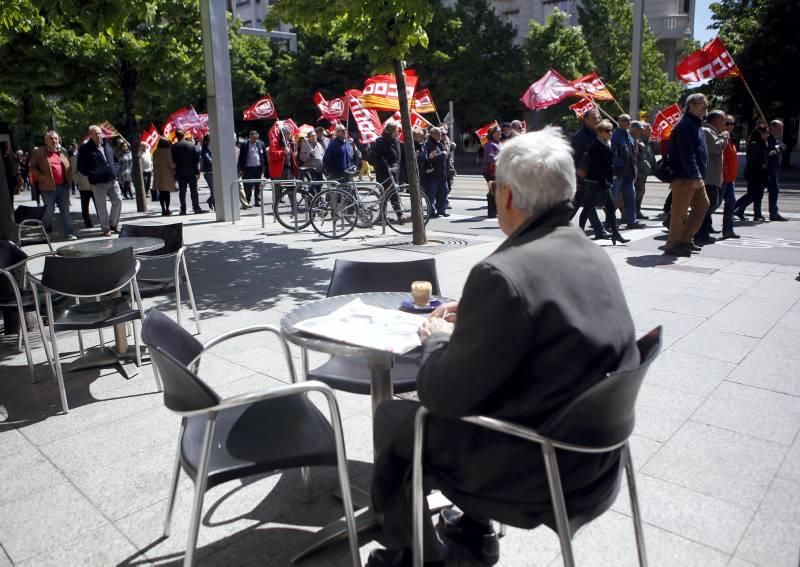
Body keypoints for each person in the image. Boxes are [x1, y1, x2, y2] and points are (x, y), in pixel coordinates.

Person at [367, 128, 639, 567]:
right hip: (595, 461)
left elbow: (443, 395)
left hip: (536, 469)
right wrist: (480, 314)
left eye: (495, 188)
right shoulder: (591, 252)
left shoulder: (501, 273)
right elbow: (538, 340)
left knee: (398, 418)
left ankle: (414, 552)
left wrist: (435, 339)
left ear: (507, 196)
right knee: (487, 393)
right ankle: (473, 532)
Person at [664, 93, 710, 257]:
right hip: (686, 177)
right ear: (691, 105)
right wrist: (696, 175)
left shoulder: (695, 124)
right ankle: (673, 245)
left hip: (694, 177)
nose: (705, 105)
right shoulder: (685, 125)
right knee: (679, 212)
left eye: (706, 103)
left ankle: (685, 240)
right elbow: (687, 153)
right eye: (701, 103)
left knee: (703, 205)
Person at [579, 120, 629, 244]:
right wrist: (605, 181)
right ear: (599, 133)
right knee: (587, 208)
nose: (610, 133)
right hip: (594, 182)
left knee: (611, 208)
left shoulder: (607, 144)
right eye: (607, 131)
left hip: (603, 182)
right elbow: (595, 167)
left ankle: (615, 234)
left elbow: (608, 165)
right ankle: (579, 235)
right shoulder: (595, 146)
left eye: (611, 130)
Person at [29, 130, 76, 240]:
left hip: (63, 187)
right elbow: (32, 167)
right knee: (48, 212)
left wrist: (69, 181)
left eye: (56, 138)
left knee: (65, 211)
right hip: (47, 188)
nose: (54, 140)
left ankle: (69, 233)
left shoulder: (63, 151)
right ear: (46, 141)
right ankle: (47, 233)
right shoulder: (39, 152)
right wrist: (41, 177)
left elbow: (68, 166)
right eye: (51, 138)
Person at [77, 125, 122, 237]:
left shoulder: (107, 145)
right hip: (98, 183)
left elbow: (115, 160)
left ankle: (114, 224)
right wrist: (93, 174)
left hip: (112, 180)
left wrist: (115, 170)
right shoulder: (84, 149)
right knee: (101, 207)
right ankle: (106, 228)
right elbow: (81, 167)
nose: (98, 135)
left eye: (99, 133)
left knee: (118, 201)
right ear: (90, 135)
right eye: (95, 133)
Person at [695, 110, 729, 245]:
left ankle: (702, 232)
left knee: (710, 204)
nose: (725, 123)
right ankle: (699, 233)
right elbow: (715, 148)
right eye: (723, 119)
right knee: (709, 205)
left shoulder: (713, 132)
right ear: (715, 120)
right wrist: (725, 137)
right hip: (708, 177)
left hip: (713, 176)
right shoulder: (707, 131)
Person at [611, 114, 643, 230]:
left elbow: (633, 154)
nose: (628, 122)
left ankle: (631, 221)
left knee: (630, 197)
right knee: (614, 197)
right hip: (619, 172)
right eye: (625, 120)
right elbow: (613, 153)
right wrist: (621, 164)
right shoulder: (615, 135)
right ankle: (610, 221)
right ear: (619, 122)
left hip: (629, 172)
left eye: (629, 120)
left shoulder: (628, 135)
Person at [734, 125, 771, 223]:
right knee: (753, 194)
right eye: (766, 133)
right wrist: (762, 166)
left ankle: (749, 212)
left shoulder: (762, 143)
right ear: (760, 133)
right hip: (754, 173)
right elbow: (755, 161)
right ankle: (735, 208)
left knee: (758, 194)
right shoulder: (755, 144)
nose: (768, 135)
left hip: (760, 173)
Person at [571, 109, 601, 222]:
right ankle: (599, 230)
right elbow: (574, 157)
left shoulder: (597, 134)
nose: (597, 120)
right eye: (594, 118)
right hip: (582, 175)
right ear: (586, 120)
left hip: (593, 173)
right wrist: (579, 171)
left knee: (579, 202)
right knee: (588, 201)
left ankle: (557, 226)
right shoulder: (579, 136)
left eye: (598, 118)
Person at [374, 121, 403, 221]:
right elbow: (379, 157)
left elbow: (399, 157)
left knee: (394, 193)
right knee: (385, 194)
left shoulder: (396, 141)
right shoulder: (380, 141)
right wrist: (388, 167)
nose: (398, 132)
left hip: (395, 172)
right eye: (396, 130)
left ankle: (394, 215)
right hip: (384, 172)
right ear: (390, 131)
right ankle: (397, 215)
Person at [171, 129, 203, 214]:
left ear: (176, 136)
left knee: (182, 191)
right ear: (184, 135)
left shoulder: (174, 147)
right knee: (194, 191)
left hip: (180, 171)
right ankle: (196, 208)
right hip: (191, 170)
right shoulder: (191, 145)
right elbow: (196, 159)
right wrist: (197, 172)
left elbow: (172, 160)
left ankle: (183, 209)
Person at [720, 115, 740, 239]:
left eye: (732, 123)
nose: (730, 126)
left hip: (730, 178)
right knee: (713, 204)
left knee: (731, 203)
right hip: (722, 177)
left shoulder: (730, 139)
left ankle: (728, 230)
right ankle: (700, 227)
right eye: (727, 123)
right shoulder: (721, 137)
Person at [424, 127, 450, 218]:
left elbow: (445, 156)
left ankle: (441, 210)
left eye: (440, 134)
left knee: (444, 192)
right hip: (433, 174)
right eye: (438, 134)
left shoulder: (439, 143)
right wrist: (443, 154)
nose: (440, 135)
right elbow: (430, 158)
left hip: (442, 174)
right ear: (432, 134)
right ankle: (431, 212)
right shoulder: (428, 144)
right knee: (431, 194)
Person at [632, 122, 656, 220]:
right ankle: (628, 210)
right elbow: (639, 157)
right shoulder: (638, 141)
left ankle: (636, 211)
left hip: (645, 171)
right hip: (640, 171)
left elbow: (650, 155)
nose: (651, 131)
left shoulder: (647, 141)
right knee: (639, 191)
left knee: (640, 192)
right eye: (648, 129)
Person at [237, 130, 267, 207]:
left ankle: (258, 201)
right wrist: (241, 168)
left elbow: (264, 156)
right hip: (248, 168)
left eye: (256, 138)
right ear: (250, 137)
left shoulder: (261, 143)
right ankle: (247, 201)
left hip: (258, 167)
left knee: (258, 185)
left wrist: (266, 166)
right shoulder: (244, 144)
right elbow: (241, 157)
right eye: (253, 138)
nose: (255, 140)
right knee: (248, 185)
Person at [766, 120, 788, 221]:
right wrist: (773, 149)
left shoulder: (774, 139)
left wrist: (777, 148)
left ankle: (774, 213)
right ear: (772, 127)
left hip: (773, 170)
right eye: (780, 128)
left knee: (774, 192)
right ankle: (738, 208)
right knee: (755, 193)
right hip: (768, 170)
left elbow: (783, 146)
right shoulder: (767, 138)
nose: (781, 130)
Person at [72, 140, 96, 228]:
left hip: (95, 184)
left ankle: (102, 221)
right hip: (84, 185)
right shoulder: (76, 156)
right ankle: (87, 221)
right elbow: (73, 171)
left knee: (99, 204)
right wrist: (78, 181)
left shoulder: (93, 154)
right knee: (85, 206)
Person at [482, 126, 502, 219]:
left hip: (498, 171)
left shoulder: (499, 143)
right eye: (498, 131)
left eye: (500, 131)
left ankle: (495, 210)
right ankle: (492, 212)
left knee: (497, 191)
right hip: (491, 171)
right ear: (493, 133)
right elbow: (490, 157)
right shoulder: (490, 144)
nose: (500, 132)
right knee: (493, 191)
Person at [153, 136, 176, 216]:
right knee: (167, 193)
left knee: (162, 193)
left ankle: (163, 209)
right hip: (167, 174)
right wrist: (175, 166)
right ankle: (167, 208)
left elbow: (154, 164)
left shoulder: (155, 152)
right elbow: (170, 163)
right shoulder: (167, 151)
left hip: (159, 174)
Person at [200, 135, 214, 211]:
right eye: (210, 140)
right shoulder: (204, 150)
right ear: (206, 141)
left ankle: (212, 202)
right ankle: (210, 201)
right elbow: (208, 160)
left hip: (214, 172)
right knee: (214, 190)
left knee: (215, 190)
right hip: (208, 172)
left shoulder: (213, 148)